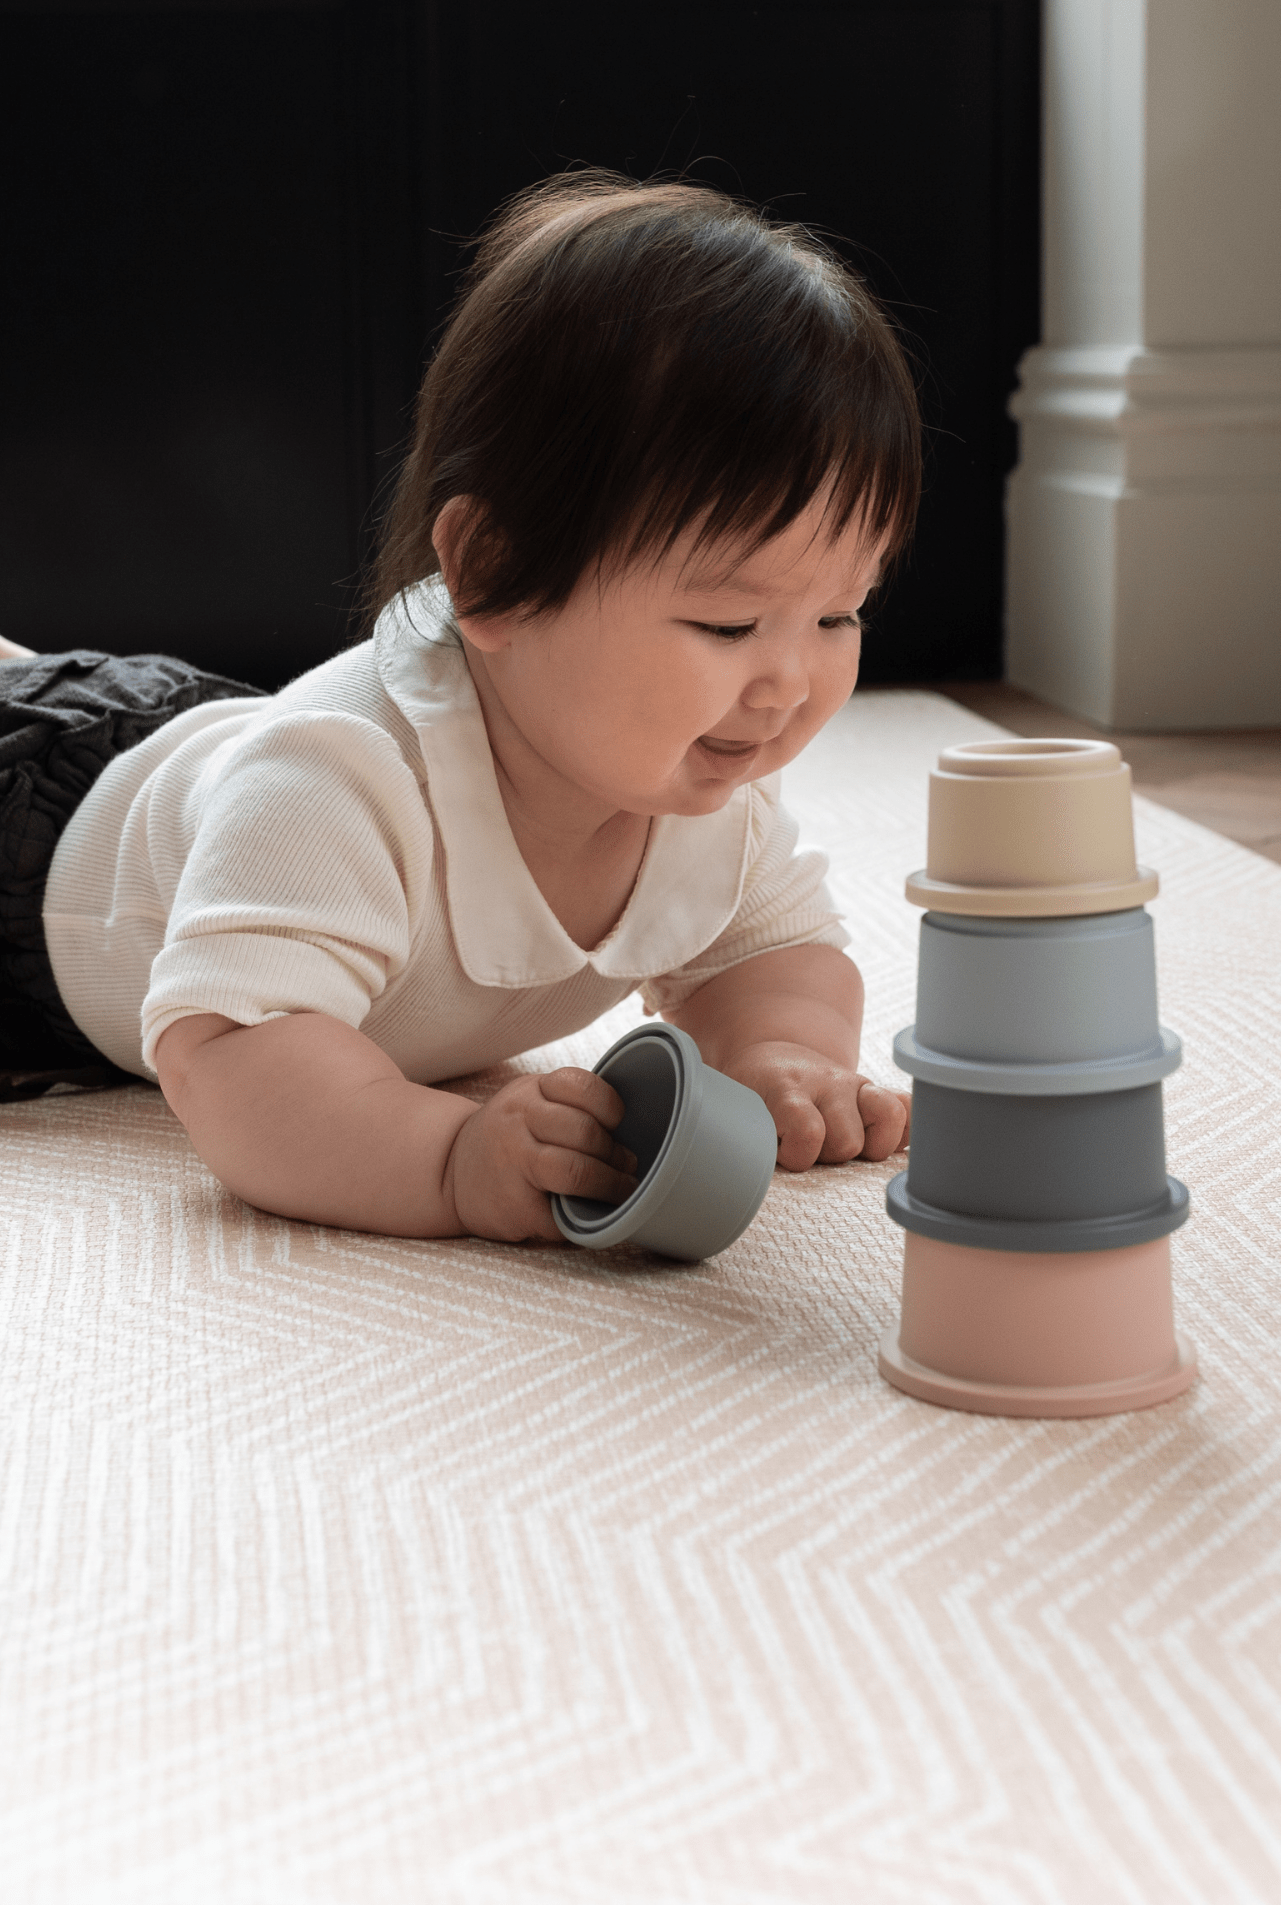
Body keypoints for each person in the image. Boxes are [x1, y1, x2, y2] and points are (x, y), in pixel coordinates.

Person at [0, 169, 921, 1241]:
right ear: (490, 573)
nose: (789, 682)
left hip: (200, 750)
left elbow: (772, 954)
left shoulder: (704, 781)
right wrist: (447, 1159)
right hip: (35, 850)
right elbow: (235, 1058)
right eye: (728, 626)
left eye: (839, 616)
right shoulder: (337, 789)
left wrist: (783, 1054)